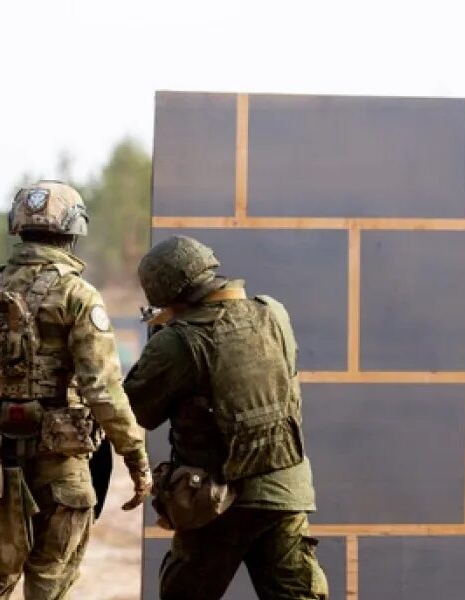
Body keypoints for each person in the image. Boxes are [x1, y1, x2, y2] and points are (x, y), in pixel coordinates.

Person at [0, 180, 153, 600]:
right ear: (74, 231)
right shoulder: (77, 295)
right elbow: (102, 391)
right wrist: (135, 457)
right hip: (59, 461)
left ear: (17, 227)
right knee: (50, 580)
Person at [124, 234, 328, 600]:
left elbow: (139, 409)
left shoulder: (178, 341)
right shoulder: (273, 313)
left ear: (167, 294)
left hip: (215, 500)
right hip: (284, 491)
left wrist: (158, 342)